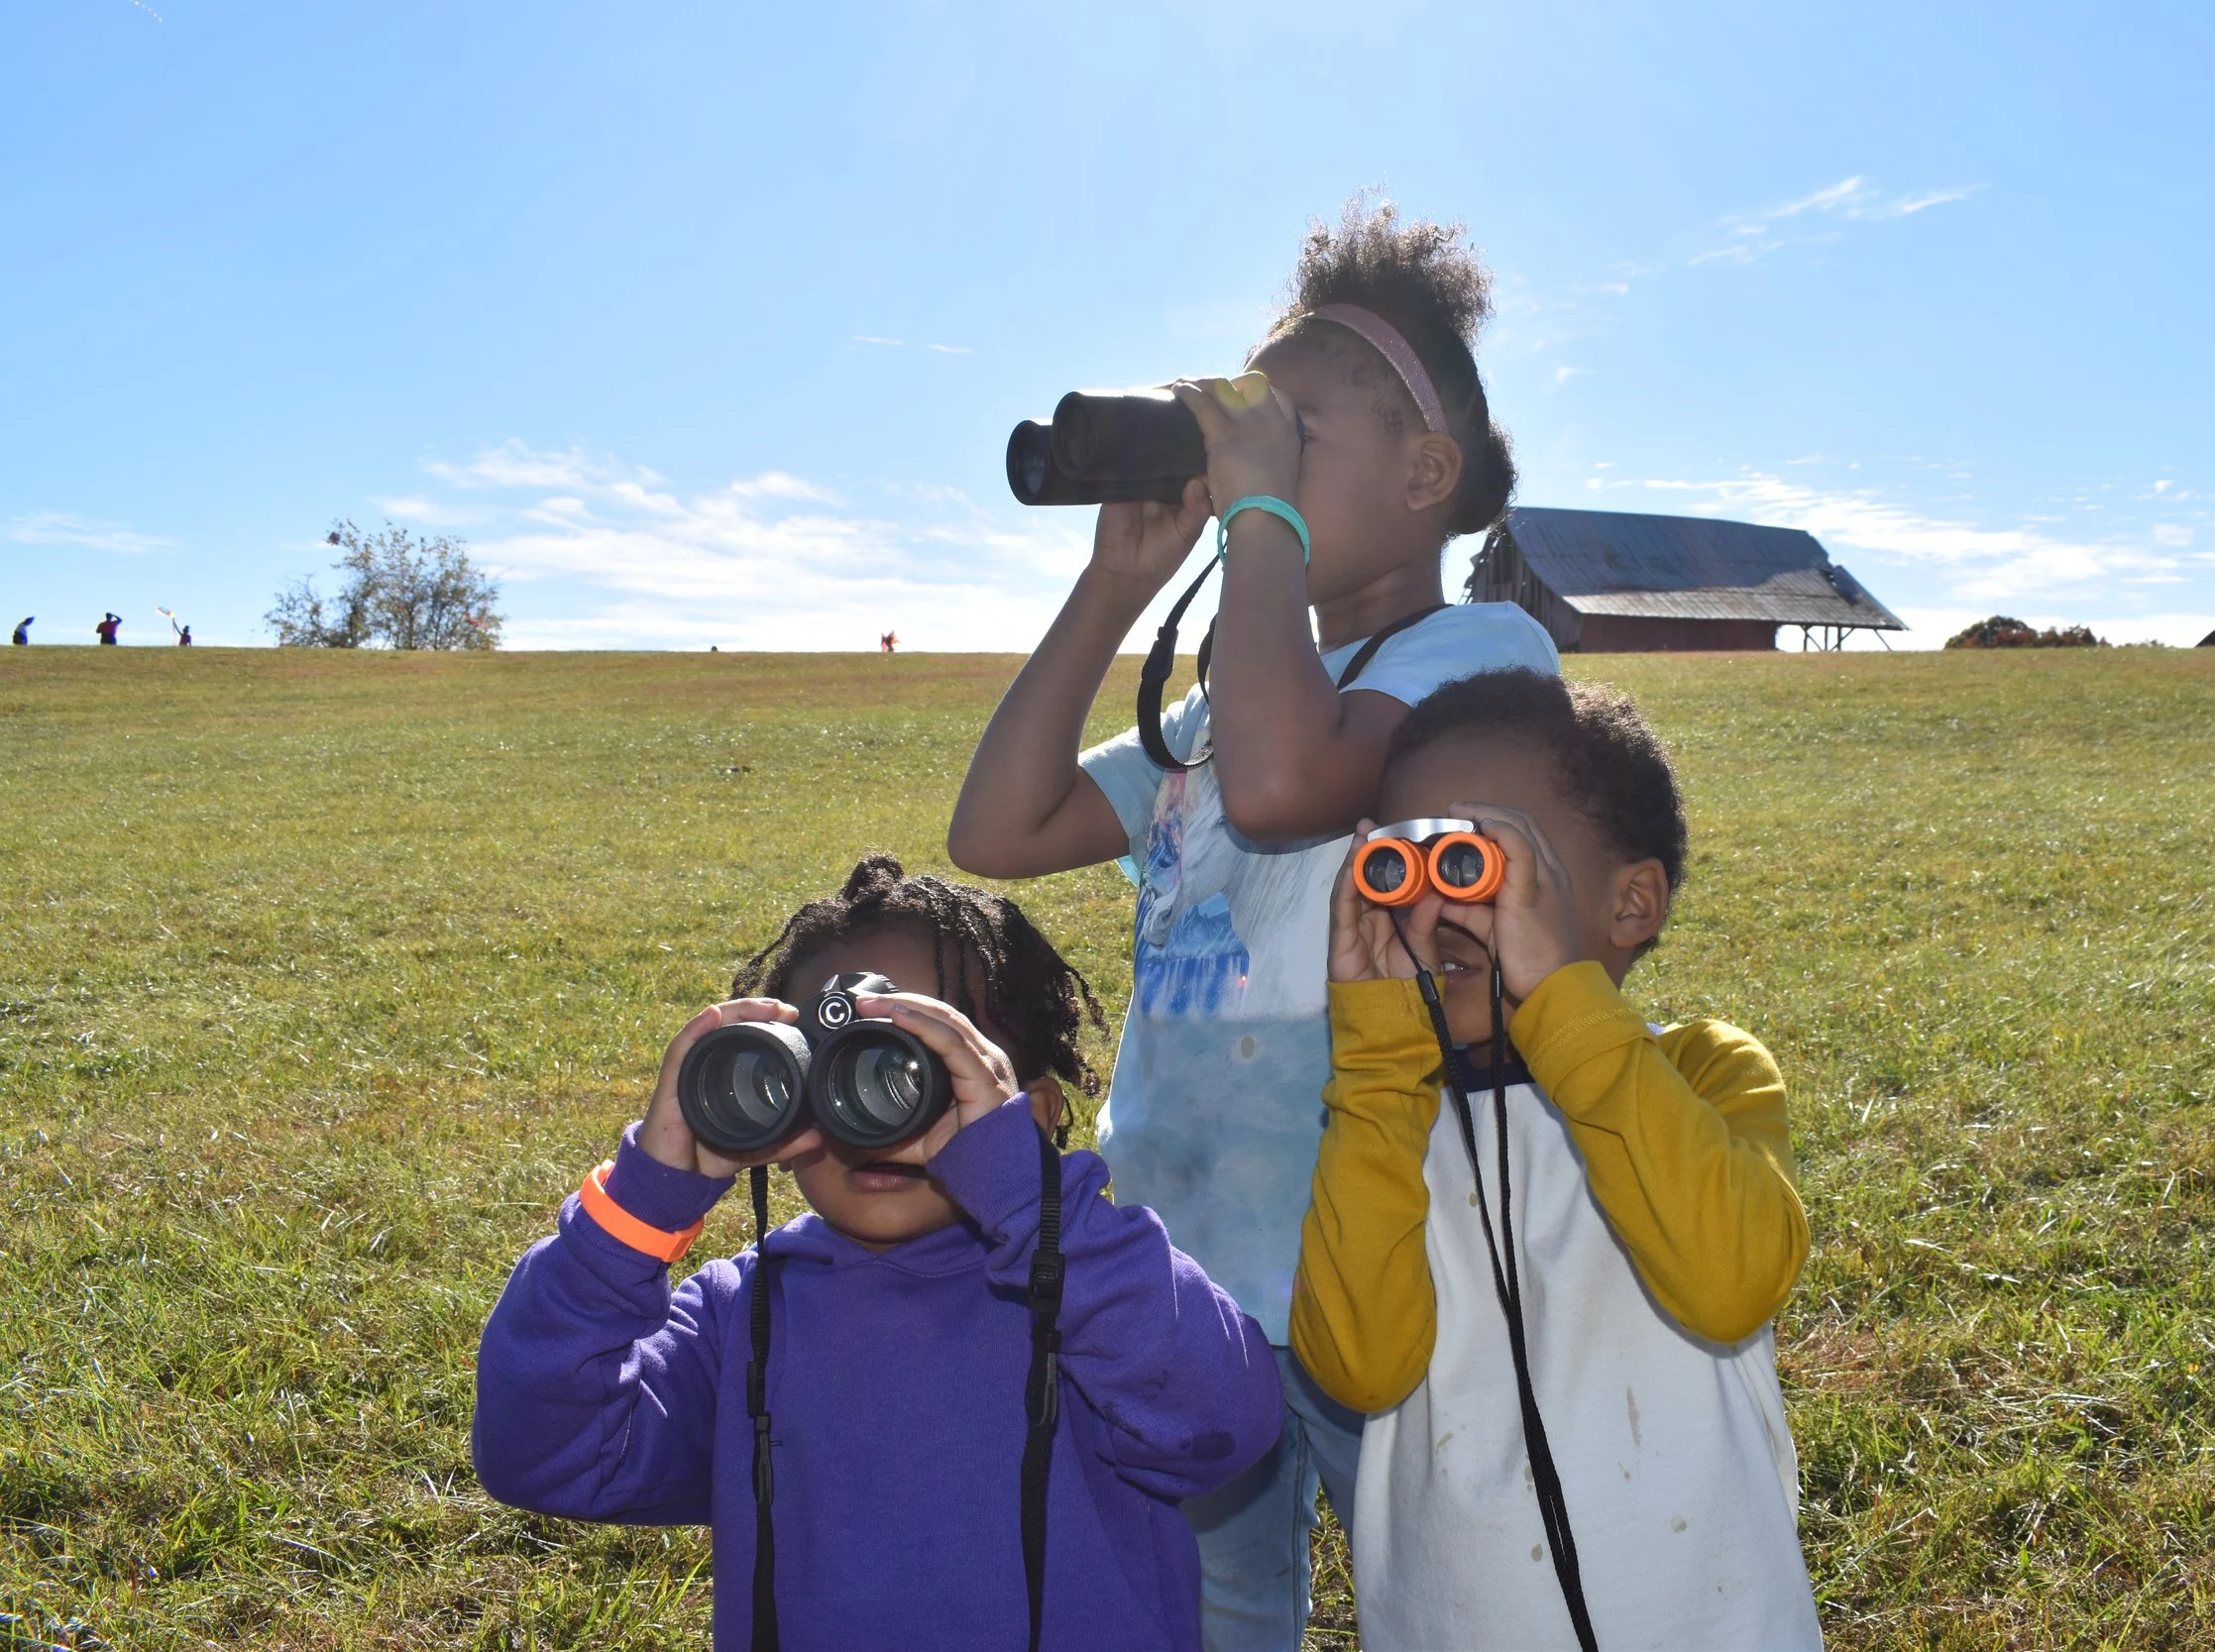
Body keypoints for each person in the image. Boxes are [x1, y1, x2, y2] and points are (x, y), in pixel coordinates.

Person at [947, 200, 1558, 1650]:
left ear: (1428, 473)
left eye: (1288, 434)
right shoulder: (1224, 702)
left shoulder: (1476, 649)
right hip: (1183, 1253)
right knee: (1209, 1617)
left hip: (1386, 1247)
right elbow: (1000, 828)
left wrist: (1259, 520)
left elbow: (1290, 788)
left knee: (1450, 1595)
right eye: (1241, 433)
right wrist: (1117, 580)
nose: (1242, 467)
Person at [474, 856, 1283, 1652]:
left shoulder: (1091, 1291)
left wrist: (1030, 1202)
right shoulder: (741, 1318)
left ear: (1027, 1112)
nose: (879, 1112)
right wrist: (639, 1208)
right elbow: (541, 1449)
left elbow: (1222, 1421)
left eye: (921, 1067)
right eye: (832, 1073)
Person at [1293, 669, 1824, 1650]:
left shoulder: (1700, 1069)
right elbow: (1359, 1367)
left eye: (1483, 862)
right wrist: (1375, 1067)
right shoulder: (1386, 1121)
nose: (1441, 908)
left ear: (1632, 902)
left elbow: (1730, 1281)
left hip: (1703, 1617)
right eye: (1408, 861)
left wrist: (1563, 1003)